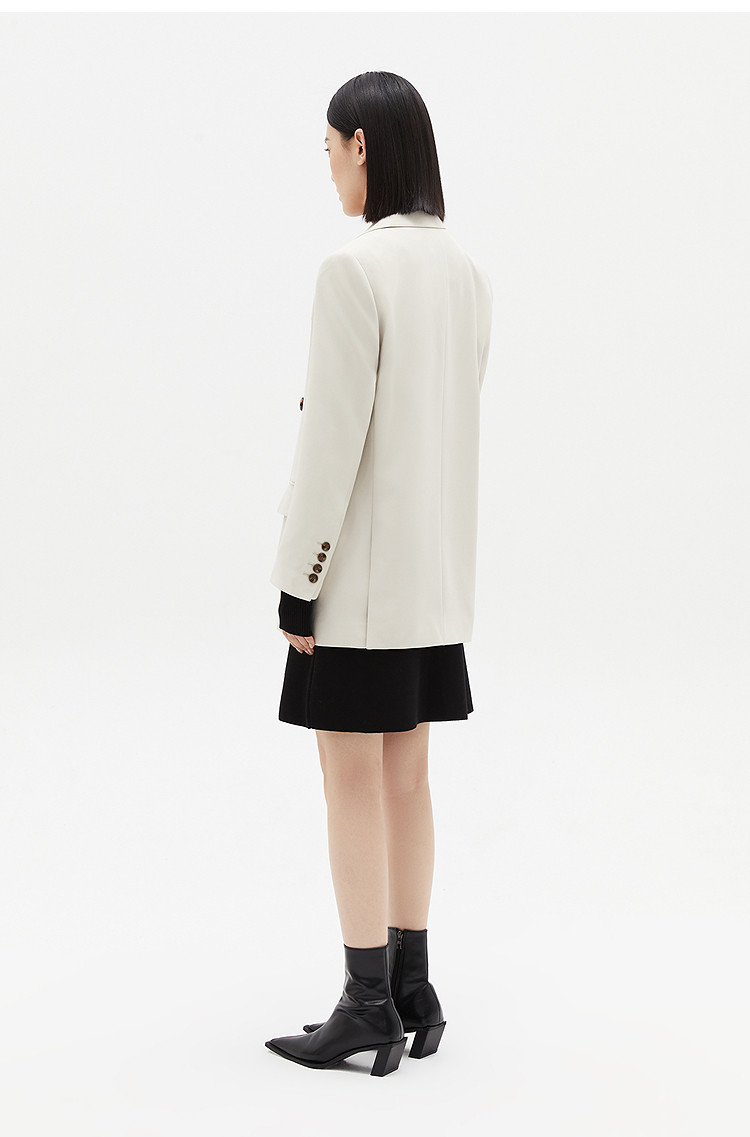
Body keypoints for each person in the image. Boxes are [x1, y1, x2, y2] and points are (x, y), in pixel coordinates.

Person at [265, 71, 493, 1077]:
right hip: (431, 585)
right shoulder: (466, 274)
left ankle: (365, 1003)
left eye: (329, 150)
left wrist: (298, 578)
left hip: (356, 588)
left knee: (348, 779)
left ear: (362, 144)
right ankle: (413, 983)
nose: (328, 171)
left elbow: (334, 447)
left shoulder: (353, 272)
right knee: (408, 778)